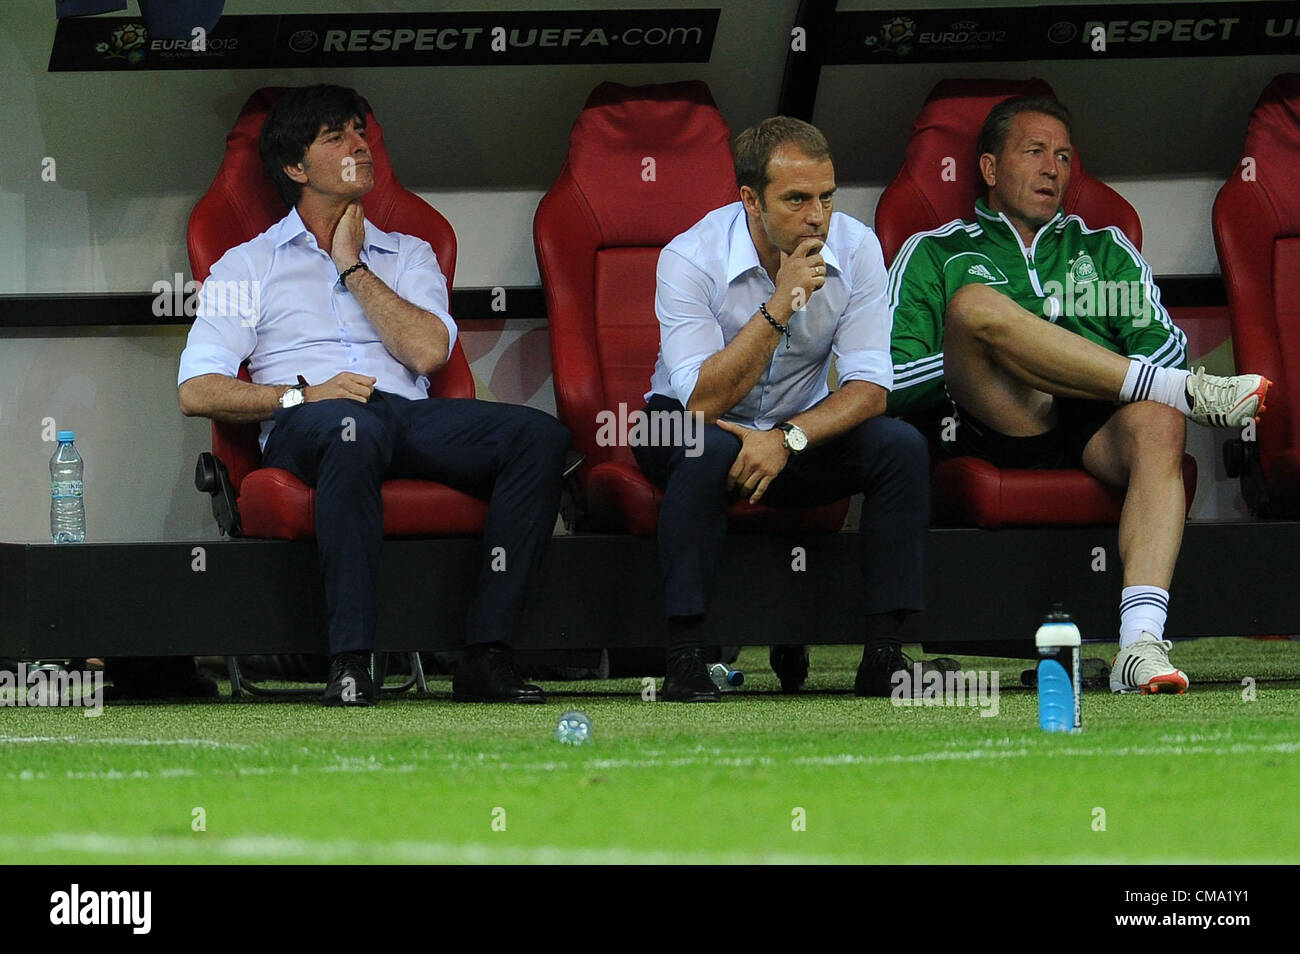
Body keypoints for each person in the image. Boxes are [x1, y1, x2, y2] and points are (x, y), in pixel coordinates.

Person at [177, 85, 571, 707]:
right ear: (296, 168)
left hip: (405, 417)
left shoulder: (409, 253)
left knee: (539, 436)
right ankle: (351, 661)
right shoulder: (244, 266)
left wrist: (352, 266)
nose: (360, 145)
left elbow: (427, 354)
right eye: (336, 137)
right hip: (311, 424)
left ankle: (487, 654)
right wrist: (302, 399)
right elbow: (197, 390)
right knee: (350, 429)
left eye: (361, 132)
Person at [887, 95, 1271, 695]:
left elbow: (1163, 346)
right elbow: (891, 380)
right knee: (977, 308)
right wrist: (1014, 350)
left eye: (1064, 156)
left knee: (1163, 424)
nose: (1053, 169)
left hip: (1093, 425)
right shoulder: (937, 251)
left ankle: (1139, 645)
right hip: (996, 415)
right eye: (1034, 152)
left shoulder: (1104, 249)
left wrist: (1072, 362)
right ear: (989, 169)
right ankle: (1182, 394)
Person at [634, 117, 930, 702]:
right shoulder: (689, 257)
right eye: (796, 199)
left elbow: (871, 388)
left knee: (901, 446)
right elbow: (701, 400)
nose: (817, 216)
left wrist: (788, 437)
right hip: (681, 421)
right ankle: (686, 656)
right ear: (750, 200)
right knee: (707, 444)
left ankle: (886, 656)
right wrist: (781, 303)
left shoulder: (857, 247)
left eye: (826, 196)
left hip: (792, 434)